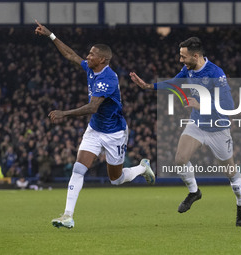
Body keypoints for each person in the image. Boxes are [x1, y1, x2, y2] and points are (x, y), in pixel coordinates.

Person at [35, 20, 155, 229]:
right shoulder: (92, 69)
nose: (87, 57)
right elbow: (71, 55)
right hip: (95, 130)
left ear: (102, 59)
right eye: (88, 54)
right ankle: (68, 216)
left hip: (114, 133)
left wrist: (65, 113)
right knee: (78, 169)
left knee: (115, 180)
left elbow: (93, 107)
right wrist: (50, 35)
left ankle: (141, 168)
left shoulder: (108, 79)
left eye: (91, 55)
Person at [130, 37, 241, 227]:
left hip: (218, 128)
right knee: (180, 159)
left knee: (230, 171)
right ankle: (194, 192)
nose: (180, 61)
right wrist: (148, 86)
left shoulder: (216, 73)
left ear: (196, 56)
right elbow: (175, 83)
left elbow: (228, 106)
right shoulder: (188, 69)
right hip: (197, 124)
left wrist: (200, 105)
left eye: (183, 57)